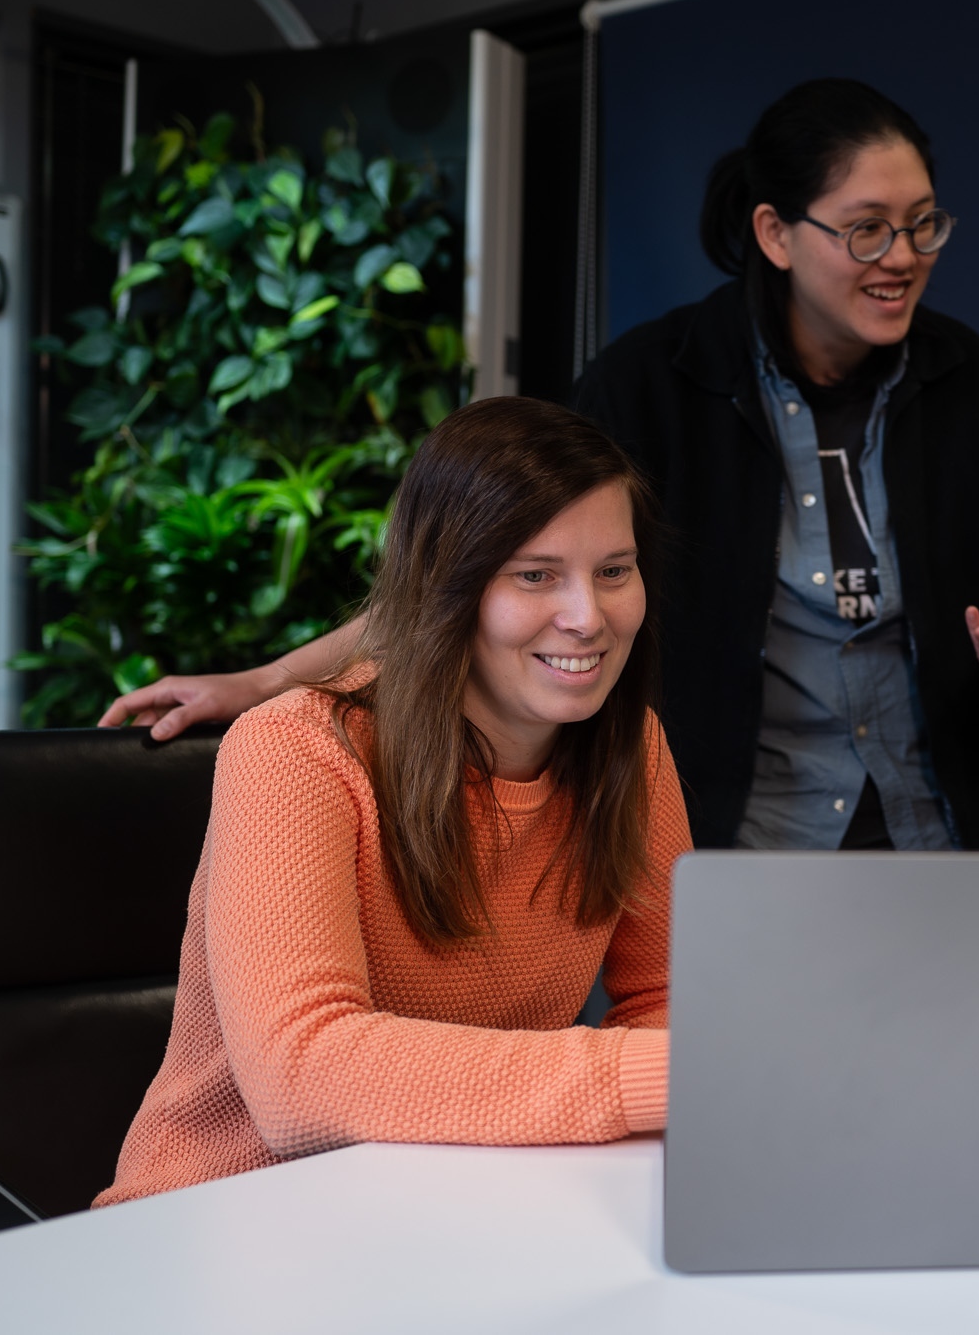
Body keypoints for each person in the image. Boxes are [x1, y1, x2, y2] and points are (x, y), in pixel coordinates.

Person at [100, 78, 979, 853]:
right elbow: (479, 577)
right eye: (866, 228)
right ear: (774, 233)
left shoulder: (968, 378)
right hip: (728, 847)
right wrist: (262, 681)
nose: (903, 255)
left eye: (923, 223)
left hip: (936, 840)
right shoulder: (652, 383)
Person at [96, 398, 683, 1205]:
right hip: (222, 1225)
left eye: (614, 570)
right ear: (452, 586)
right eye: (535, 574)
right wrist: (664, 1074)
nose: (588, 617)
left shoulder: (632, 748)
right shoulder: (295, 750)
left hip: (463, 1211)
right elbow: (302, 1073)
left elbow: (662, 998)